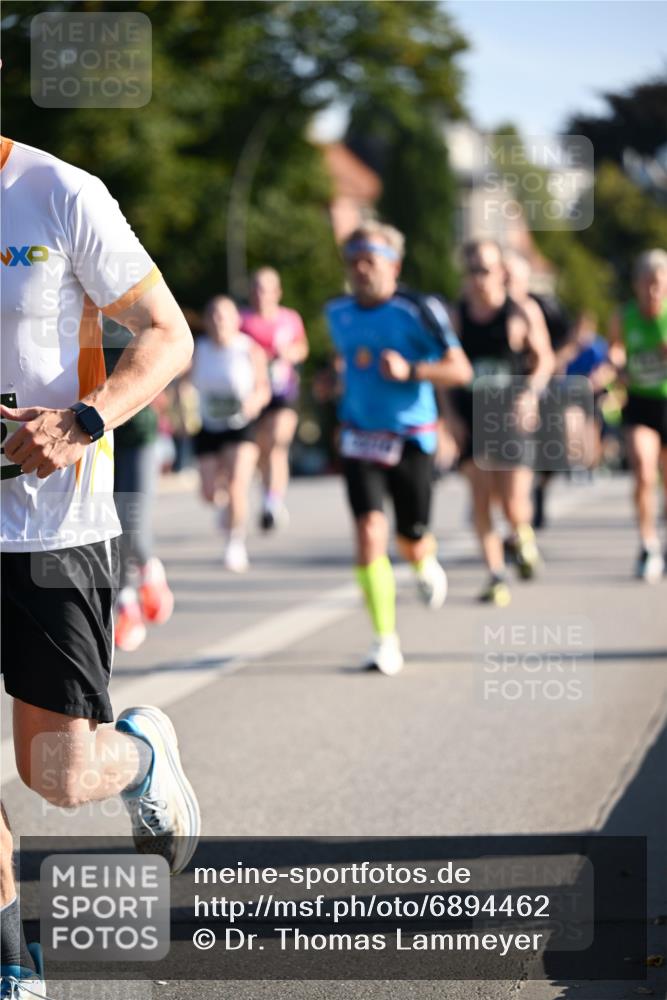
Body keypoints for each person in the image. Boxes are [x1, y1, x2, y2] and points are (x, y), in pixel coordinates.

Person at [0, 135, 200, 997]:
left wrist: (83, 420)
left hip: (54, 522)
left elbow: (169, 334)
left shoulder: (58, 191)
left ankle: (143, 756)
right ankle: (13, 964)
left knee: (59, 775)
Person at [325, 221, 472, 675]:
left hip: (411, 438)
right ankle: (384, 639)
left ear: (394, 264)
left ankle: (424, 561)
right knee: (369, 531)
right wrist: (333, 384)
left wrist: (411, 371)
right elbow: (345, 362)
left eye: (370, 260)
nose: (360, 270)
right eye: (353, 261)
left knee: (410, 538)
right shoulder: (337, 312)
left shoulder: (419, 310)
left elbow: (460, 369)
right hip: (359, 437)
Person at [445, 240, 554, 605]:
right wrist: (450, 419)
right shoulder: (457, 315)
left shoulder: (520, 312)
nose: (479, 278)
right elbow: (444, 373)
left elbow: (545, 361)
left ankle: (521, 535)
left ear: (501, 273)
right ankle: (495, 574)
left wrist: (531, 393)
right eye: (473, 270)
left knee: (511, 503)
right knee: (479, 501)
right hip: (472, 418)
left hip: (510, 416)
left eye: (486, 270)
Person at [104, 320, 175, 652]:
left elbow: (173, 346)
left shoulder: (127, 310)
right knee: (108, 527)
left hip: (138, 436)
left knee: (133, 526)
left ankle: (149, 568)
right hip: (95, 439)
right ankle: (127, 605)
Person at [192, 296, 270, 572]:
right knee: (209, 493)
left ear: (236, 320)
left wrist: (254, 402)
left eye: (223, 316)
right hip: (209, 426)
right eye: (212, 316)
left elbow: (264, 388)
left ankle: (235, 543)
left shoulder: (248, 349)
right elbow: (180, 380)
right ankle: (225, 508)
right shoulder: (198, 349)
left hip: (240, 425)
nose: (218, 321)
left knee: (238, 485)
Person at [504, 249, 574, 531]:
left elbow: (569, 339)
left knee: (550, 455)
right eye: (504, 276)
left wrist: (552, 360)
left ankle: (540, 490)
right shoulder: (492, 311)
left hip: (544, 388)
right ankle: (516, 520)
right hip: (508, 395)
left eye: (512, 277)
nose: (506, 283)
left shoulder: (544, 306)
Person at [608, 248, 667, 582]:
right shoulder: (623, 315)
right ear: (636, 285)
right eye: (647, 284)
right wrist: (616, 363)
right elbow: (615, 347)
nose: (653, 291)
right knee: (644, 472)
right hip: (640, 403)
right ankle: (648, 544)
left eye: (658, 284)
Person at [240, 268, 308, 530]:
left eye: (266, 289)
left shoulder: (290, 319)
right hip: (253, 393)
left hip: (283, 391)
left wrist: (290, 353)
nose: (261, 294)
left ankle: (272, 503)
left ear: (277, 293)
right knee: (263, 448)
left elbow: (303, 348)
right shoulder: (242, 320)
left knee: (279, 441)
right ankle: (268, 489)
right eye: (256, 288)